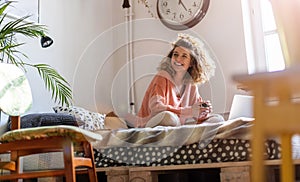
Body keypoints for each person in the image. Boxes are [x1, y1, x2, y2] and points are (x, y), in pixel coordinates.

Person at [126, 33, 223, 128]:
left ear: (192, 63)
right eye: (175, 54)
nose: (178, 59)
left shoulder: (191, 85)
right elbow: (156, 108)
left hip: (175, 127)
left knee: (218, 119)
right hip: (149, 124)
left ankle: (194, 135)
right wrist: (189, 111)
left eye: (184, 56)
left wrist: (203, 110)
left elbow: (196, 114)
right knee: (169, 117)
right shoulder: (162, 77)